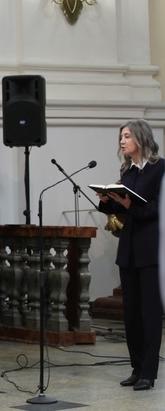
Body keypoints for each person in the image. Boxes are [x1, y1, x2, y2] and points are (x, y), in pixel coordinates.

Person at [97, 118, 164, 391]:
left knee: (150, 314)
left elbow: (157, 209)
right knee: (132, 314)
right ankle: (136, 368)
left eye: (126, 136)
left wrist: (128, 204)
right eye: (120, 137)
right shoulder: (127, 171)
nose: (122, 141)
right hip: (129, 250)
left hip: (151, 249)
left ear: (141, 137)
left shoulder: (160, 168)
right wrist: (107, 202)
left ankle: (149, 372)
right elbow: (123, 210)